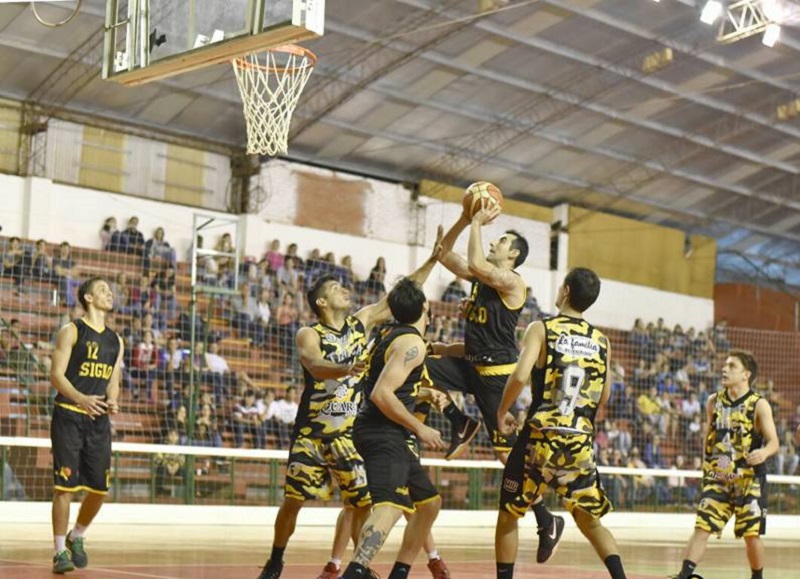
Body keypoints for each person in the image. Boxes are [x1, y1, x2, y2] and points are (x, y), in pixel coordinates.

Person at [257, 233, 442, 579]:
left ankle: (360, 568)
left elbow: (401, 296)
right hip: (313, 433)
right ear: (322, 302)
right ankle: (276, 559)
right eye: (335, 288)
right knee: (293, 500)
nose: (344, 289)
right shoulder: (309, 333)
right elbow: (314, 364)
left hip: (349, 434)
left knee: (360, 505)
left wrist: (432, 261)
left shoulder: (361, 322)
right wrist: (346, 368)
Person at [495, 267, 627, 578]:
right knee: (590, 521)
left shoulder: (542, 328)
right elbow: (604, 396)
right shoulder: (602, 341)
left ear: (566, 290)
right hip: (579, 441)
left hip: (540, 439)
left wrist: (502, 411)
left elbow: (520, 376)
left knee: (508, 515)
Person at [341, 278, 444, 579]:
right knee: (390, 507)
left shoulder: (387, 334)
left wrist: (424, 394)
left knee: (429, 504)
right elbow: (382, 393)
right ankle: (354, 572)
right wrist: (420, 428)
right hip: (383, 431)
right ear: (425, 307)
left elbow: (389, 385)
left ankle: (399, 573)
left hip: (380, 429)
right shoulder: (413, 344)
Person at [426, 200, 528, 463]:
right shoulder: (479, 279)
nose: (493, 243)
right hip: (471, 367)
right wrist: (463, 218)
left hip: (496, 376)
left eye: (502, 241)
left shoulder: (513, 283)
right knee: (416, 366)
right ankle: (460, 421)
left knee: (505, 453)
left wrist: (476, 223)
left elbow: (477, 264)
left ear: (513, 254)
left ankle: (534, 491)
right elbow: (443, 254)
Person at [669, 350, 779, 579]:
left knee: (751, 535)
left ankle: (757, 577)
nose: (724, 369)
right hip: (719, 477)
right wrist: (706, 465)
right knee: (702, 527)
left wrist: (763, 452)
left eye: (732, 366)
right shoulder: (713, 401)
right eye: (725, 365)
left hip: (750, 480)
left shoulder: (759, 405)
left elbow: (774, 442)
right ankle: (684, 575)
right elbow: (708, 436)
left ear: (746, 374)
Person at [49, 277, 123, 574]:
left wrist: (112, 400)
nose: (110, 293)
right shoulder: (71, 331)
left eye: (110, 290)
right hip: (69, 414)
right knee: (64, 487)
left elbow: (113, 380)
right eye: (103, 290)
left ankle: (77, 534)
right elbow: (56, 375)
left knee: (100, 489)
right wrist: (81, 398)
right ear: (88, 298)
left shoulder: (116, 340)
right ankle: (59, 552)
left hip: (98, 421)